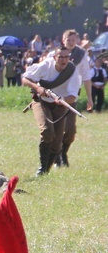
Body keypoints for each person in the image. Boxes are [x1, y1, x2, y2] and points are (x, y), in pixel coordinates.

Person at [21, 46, 82, 176]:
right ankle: (42, 168)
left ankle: (46, 171)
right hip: (41, 102)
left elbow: (73, 96)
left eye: (66, 57)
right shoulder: (45, 65)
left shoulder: (72, 71)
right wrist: (38, 89)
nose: (63, 60)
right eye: (60, 57)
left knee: (57, 141)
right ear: (54, 57)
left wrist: (62, 100)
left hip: (60, 106)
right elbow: (25, 79)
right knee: (47, 131)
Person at [56, 29, 93, 167]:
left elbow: (86, 77)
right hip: (56, 93)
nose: (71, 43)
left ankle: (63, 152)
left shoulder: (81, 54)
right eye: (68, 40)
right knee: (56, 128)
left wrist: (89, 98)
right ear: (63, 40)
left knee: (70, 130)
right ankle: (57, 156)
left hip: (71, 95)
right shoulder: (56, 53)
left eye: (73, 40)